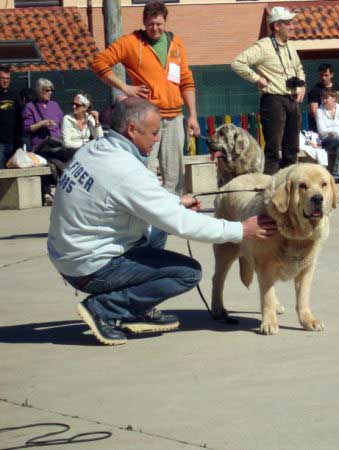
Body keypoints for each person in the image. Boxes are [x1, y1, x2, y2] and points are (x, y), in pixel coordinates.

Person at [47, 98, 278, 346]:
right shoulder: (124, 169)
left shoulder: (97, 148)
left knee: (156, 227)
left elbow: (133, 198)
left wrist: (174, 202)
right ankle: (104, 309)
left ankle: (135, 307)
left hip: (70, 252)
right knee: (187, 273)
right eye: (154, 133)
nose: (157, 139)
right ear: (132, 130)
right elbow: (181, 224)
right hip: (87, 267)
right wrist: (241, 229)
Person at [91, 0, 199, 195]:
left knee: (175, 178)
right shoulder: (131, 42)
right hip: (146, 120)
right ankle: (142, 221)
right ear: (144, 22)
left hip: (175, 118)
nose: (154, 28)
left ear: (165, 22)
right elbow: (99, 62)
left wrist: (192, 115)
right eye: (150, 24)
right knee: (142, 173)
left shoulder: (176, 44)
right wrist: (125, 87)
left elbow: (186, 81)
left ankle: (172, 221)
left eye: (158, 24)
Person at [231, 7, 306, 175]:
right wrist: (257, 78)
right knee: (273, 148)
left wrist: (302, 85)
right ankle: (268, 188)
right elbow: (237, 63)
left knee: (292, 148)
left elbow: (299, 68)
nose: (292, 26)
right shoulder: (263, 46)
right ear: (277, 25)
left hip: (292, 100)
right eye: (288, 23)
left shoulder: (290, 46)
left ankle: (289, 185)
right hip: (273, 100)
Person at [22, 78, 64, 205]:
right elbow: (27, 128)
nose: (50, 92)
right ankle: (48, 191)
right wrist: (42, 124)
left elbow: (62, 122)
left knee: (62, 161)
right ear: (39, 91)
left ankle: (56, 191)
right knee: (49, 163)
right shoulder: (30, 106)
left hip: (56, 143)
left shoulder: (55, 105)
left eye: (51, 90)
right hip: (41, 145)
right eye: (47, 90)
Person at [307, 63, 339, 131]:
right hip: (319, 127)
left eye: (326, 75)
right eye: (321, 75)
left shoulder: (337, 88)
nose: (323, 78)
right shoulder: (315, 90)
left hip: (337, 126)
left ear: (332, 75)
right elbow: (314, 111)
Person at [0, 65, 22, 168]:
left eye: (7, 79)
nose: (5, 81)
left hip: (13, 142)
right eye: (2, 78)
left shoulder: (14, 95)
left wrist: (19, 139)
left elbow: (19, 117)